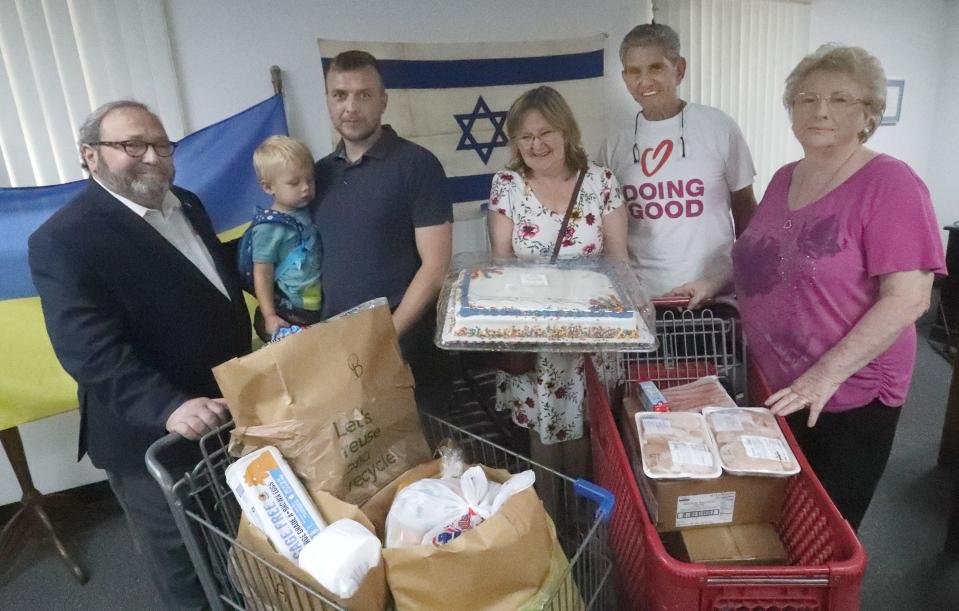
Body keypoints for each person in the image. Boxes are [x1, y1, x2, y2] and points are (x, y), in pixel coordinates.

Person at [28, 100, 252, 609]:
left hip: (223, 415)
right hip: (151, 435)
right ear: (91, 156)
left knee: (239, 547)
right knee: (184, 570)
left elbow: (210, 285)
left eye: (162, 144)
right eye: (132, 145)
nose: (153, 157)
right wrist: (168, 407)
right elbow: (88, 350)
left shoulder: (188, 203)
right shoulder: (64, 240)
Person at [731, 44, 946, 531]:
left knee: (825, 531)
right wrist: (713, 278)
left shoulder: (890, 183)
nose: (820, 110)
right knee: (780, 517)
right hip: (779, 380)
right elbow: (765, 253)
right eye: (806, 99)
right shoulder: (786, 177)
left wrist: (823, 375)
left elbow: (909, 297)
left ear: (868, 113)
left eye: (840, 99)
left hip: (845, 392)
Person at [488, 86, 629, 476]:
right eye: (525, 136)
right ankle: (553, 519)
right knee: (543, 431)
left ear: (566, 131)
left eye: (545, 132)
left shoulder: (601, 183)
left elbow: (619, 263)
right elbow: (502, 266)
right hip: (537, 336)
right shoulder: (507, 185)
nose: (536, 144)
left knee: (591, 430)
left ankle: (591, 523)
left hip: (591, 336)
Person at [313, 50, 453, 410]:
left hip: (407, 351)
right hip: (343, 354)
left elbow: (436, 266)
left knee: (425, 464)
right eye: (340, 95)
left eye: (364, 94)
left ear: (383, 101)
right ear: (328, 101)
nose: (351, 107)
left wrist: (386, 334)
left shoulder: (417, 165)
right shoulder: (317, 175)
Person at [599, 23, 757, 308]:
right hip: (643, 303)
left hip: (712, 299)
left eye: (655, 68)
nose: (644, 81)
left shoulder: (718, 127)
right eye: (634, 71)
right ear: (625, 78)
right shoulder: (615, 143)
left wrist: (749, 282)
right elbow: (607, 229)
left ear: (679, 69)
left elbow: (746, 212)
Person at [249, 135, 323, 341]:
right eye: (294, 183)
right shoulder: (268, 227)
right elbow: (262, 273)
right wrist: (270, 315)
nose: (306, 187)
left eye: (310, 179)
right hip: (291, 311)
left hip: (316, 304)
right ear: (268, 187)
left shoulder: (308, 208)